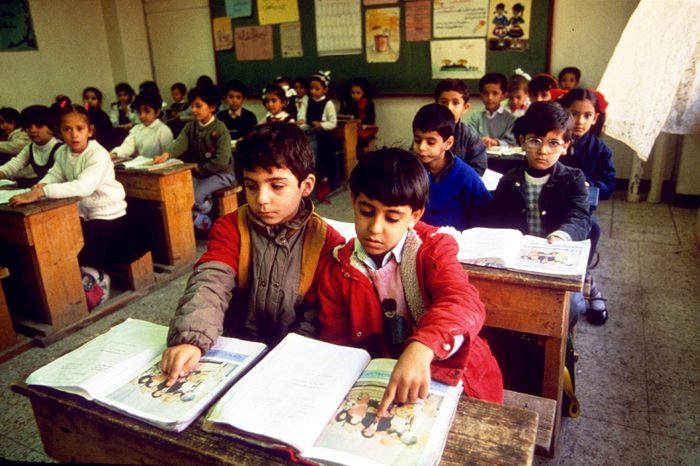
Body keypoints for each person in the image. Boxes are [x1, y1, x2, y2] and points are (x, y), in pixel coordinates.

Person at [317, 148, 504, 412]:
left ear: (415, 216)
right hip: (376, 379)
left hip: (452, 376)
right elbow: (336, 337)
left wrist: (422, 346)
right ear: (353, 200)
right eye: (366, 211)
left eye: (392, 218)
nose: (375, 229)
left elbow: (463, 302)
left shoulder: (433, 248)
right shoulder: (339, 265)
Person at [160, 123, 344, 386]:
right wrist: (191, 340)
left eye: (276, 186)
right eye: (252, 186)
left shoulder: (326, 242)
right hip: (234, 351)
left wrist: (291, 360)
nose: (262, 199)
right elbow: (210, 283)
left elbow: (317, 317)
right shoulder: (230, 228)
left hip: (291, 362)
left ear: (306, 185)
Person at [485, 101, 590, 327]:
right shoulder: (508, 181)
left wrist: (562, 235)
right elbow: (497, 225)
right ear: (522, 141)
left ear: (566, 146)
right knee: (502, 307)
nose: (543, 151)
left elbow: (580, 217)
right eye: (535, 141)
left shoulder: (574, 179)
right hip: (519, 262)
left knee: (569, 312)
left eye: (554, 143)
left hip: (556, 257)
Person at [9, 104, 144, 271]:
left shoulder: (98, 154)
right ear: (59, 132)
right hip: (83, 214)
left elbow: (84, 187)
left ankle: (93, 277)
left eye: (79, 129)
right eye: (67, 129)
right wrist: (42, 184)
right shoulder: (63, 152)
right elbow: (56, 174)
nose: (74, 135)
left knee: (78, 252)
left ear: (90, 131)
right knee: (58, 243)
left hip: (108, 217)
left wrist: (43, 191)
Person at [559, 88, 614, 324]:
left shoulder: (600, 149)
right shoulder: (557, 140)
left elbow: (609, 184)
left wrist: (593, 183)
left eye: (587, 115)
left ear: (595, 118)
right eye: (573, 114)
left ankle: (585, 277)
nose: (579, 121)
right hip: (551, 200)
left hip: (580, 206)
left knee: (592, 227)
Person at [154, 85, 234, 233]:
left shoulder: (220, 129)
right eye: (192, 106)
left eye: (198, 106)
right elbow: (180, 142)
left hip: (222, 174)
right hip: (202, 173)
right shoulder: (191, 126)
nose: (193, 110)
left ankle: (209, 217)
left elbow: (222, 161)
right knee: (183, 195)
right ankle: (204, 219)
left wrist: (201, 170)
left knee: (195, 198)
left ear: (212, 107)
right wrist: (166, 155)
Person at [413, 104, 491, 231]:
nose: (421, 147)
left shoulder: (465, 176)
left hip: (455, 241)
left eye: (430, 142)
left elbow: (485, 214)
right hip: (415, 237)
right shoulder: (409, 171)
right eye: (417, 140)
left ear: (448, 143)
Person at [0, 105, 62, 188]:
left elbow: (58, 178)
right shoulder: (31, 147)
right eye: (28, 126)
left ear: (52, 127)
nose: (32, 130)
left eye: (39, 126)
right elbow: (11, 167)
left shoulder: (61, 149)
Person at [434, 79, 487, 175]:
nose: (449, 107)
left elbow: (479, 167)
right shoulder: (426, 131)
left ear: (465, 107)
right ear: (436, 104)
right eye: (443, 102)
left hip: (460, 185)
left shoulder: (470, 135)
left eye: (455, 103)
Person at [299, 71, 338, 199]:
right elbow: (302, 115)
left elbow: (333, 123)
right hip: (310, 135)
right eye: (311, 88)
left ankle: (326, 184)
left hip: (324, 138)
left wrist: (321, 124)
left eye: (317, 89)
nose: (313, 92)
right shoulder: (307, 101)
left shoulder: (328, 104)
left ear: (325, 89)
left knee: (324, 161)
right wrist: (301, 120)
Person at [109, 92, 174, 160]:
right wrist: (115, 154)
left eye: (147, 111)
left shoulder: (163, 130)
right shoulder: (136, 129)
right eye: (139, 112)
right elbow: (128, 146)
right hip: (140, 166)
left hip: (159, 166)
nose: (142, 116)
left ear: (157, 112)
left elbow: (169, 153)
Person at [469, 72, 517, 148]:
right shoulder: (475, 118)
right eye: (485, 93)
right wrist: (482, 141)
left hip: (503, 159)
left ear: (504, 95)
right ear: (481, 95)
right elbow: (470, 140)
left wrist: (496, 142)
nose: (490, 97)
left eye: (495, 93)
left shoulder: (510, 119)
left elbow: (512, 143)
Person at [339, 77, 378, 153]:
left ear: (363, 92)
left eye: (358, 93)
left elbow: (371, 120)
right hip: (349, 130)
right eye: (352, 93)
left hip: (363, 131)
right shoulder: (346, 102)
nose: (355, 95)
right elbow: (341, 115)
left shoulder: (368, 102)